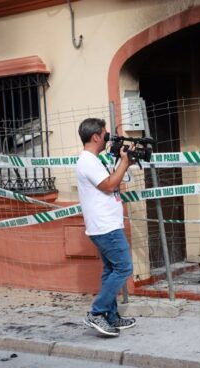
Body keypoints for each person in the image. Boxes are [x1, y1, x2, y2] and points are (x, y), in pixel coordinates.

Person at [76, 118, 136, 337]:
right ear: (96, 137)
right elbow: (110, 185)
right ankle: (97, 312)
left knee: (111, 270)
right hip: (105, 227)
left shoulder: (93, 160)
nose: (107, 138)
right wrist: (125, 163)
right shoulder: (88, 161)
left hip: (105, 225)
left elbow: (110, 180)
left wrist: (121, 161)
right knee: (124, 268)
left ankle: (111, 316)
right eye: (105, 134)